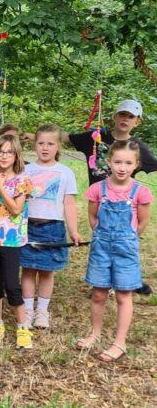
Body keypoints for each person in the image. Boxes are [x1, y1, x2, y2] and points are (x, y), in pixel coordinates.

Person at [76, 140, 152, 361]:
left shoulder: (141, 192)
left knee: (123, 294)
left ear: (136, 165)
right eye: (117, 161)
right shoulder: (97, 189)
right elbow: (92, 216)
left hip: (126, 249)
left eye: (128, 163)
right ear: (108, 162)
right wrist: (101, 232)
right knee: (99, 293)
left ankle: (120, 342)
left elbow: (142, 223)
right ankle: (95, 334)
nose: (122, 167)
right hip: (101, 248)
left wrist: (127, 238)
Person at [20, 125, 81, 329]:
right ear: (34, 144)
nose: (45, 148)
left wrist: (73, 230)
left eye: (50, 144)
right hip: (28, 226)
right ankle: (27, 310)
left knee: (47, 271)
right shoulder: (26, 169)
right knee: (27, 269)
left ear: (59, 146)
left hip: (53, 228)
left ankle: (42, 311)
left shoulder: (66, 173)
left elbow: (69, 204)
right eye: (41, 143)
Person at [0, 134, 34, 349]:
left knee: (12, 285)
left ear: (16, 155)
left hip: (11, 242)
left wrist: (1, 187)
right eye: (0, 151)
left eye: (9, 152)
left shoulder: (22, 180)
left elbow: (15, 209)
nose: (4, 156)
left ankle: (22, 327)